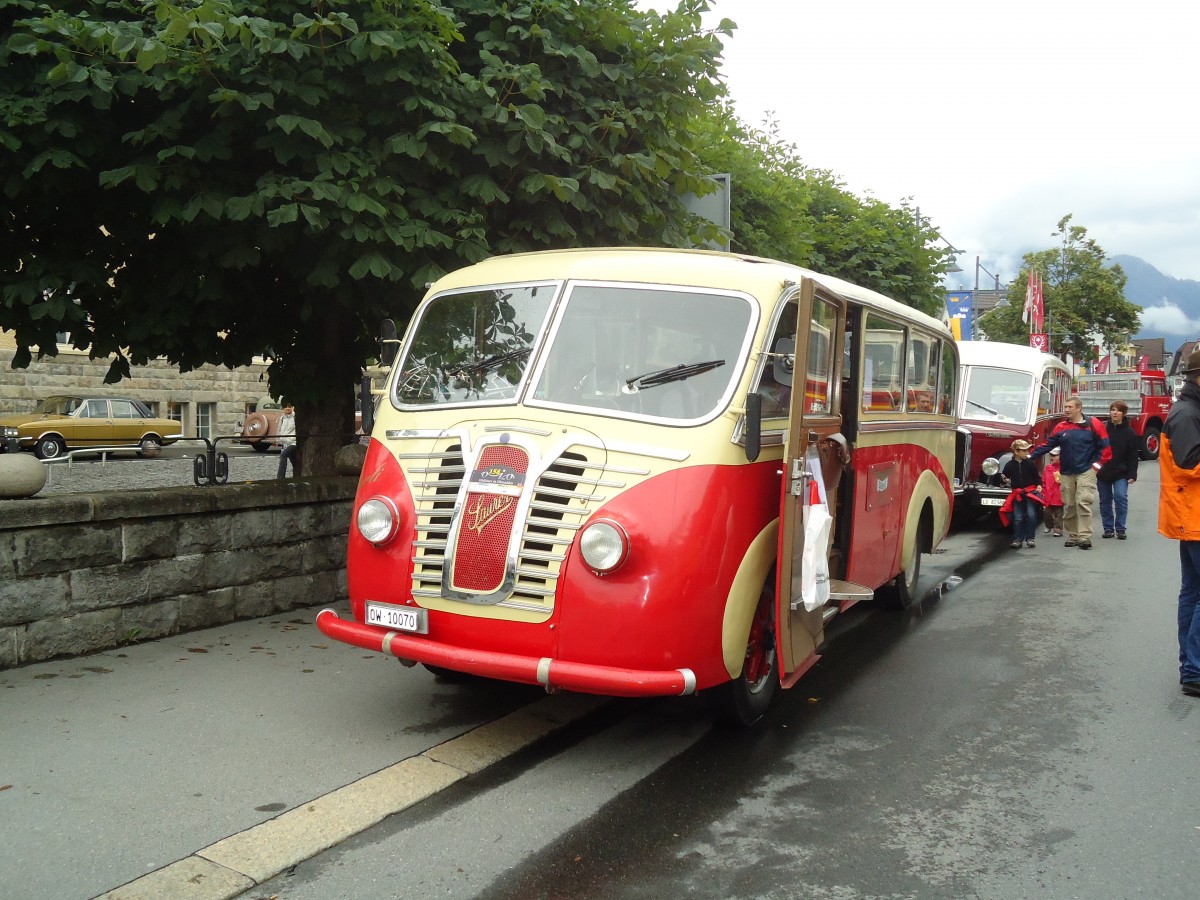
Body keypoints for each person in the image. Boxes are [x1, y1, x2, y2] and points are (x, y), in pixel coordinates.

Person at [1159, 348, 1200, 697]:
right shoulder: (1188, 413)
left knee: (1192, 592)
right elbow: (1189, 464)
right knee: (1194, 594)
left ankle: (1192, 668)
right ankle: (1194, 670)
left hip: (1193, 515)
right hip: (1195, 516)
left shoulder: (1189, 409)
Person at [1030, 395, 1108, 550]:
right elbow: (1048, 445)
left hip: (1086, 470)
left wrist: (1095, 467)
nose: (1066, 410)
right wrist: (1029, 456)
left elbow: (1105, 447)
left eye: (1070, 407)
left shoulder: (1094, 424)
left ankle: (1084, 537)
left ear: (1079, 408)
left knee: (1083, 502)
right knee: (1070, 504)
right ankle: (1073, 535)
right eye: (1065, 407)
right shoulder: (1061, 427)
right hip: (1066, 472)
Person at [1097, 400, 1139, 539]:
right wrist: (1095, 468)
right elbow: (1095, 448)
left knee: (1120, 497)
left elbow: (1133, 456)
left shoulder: (1129, 433)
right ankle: (1108, 529)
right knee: (1105, 501)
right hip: (1103, 472)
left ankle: (1120, 528)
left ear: (1124, 413)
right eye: (1113, 410)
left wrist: (1132, 474)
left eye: (1118, 410)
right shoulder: (1103, 429)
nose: (1115, 413)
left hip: (1121, 472)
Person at [999, 439, 1043, 549]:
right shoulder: (1009, 465)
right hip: (1017, 494)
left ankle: (1030, 538)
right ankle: (1018, 539)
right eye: (1024, 451)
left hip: (1030, 493)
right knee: (1018, 517)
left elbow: (1036, 477)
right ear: (1016, 451)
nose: (1027, 453)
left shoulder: (1030, 464)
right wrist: (1004, 480)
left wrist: (1039, 485)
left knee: (1031, 515)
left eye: (1027, 450)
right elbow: (1004, 477)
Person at [1041, 446, 1064, 537]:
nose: (1052, 457)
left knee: (1059, 513)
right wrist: (1043, 490)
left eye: (1054, 455)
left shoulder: (1064, 468)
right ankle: (1049, 525)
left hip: (1059, 495)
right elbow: (1044, 480)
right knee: (1046, 512)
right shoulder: (1048, 468)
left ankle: (1058, 529)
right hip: (1048, 494)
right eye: (1051, 455)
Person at [276, 403, 298, 478]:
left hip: (293, 442)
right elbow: (279, 430)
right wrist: (278, 440)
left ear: (292, 407)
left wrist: (293, 439)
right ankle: (297, 476)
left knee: (283, 456)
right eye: (285, 406)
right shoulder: (282, 418)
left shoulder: (295, 417)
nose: (287, 408)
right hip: (285, 443)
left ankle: (280, 478)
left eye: (289, 406)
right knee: (294, 461)